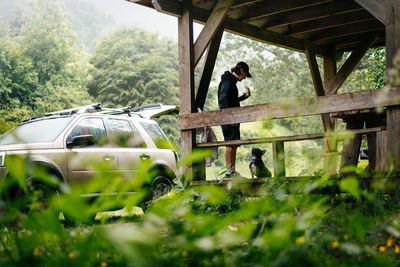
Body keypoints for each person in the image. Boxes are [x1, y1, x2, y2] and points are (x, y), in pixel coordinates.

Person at [218, 61, 252, 178]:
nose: (244, 78)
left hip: (233, 117)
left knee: (234, 144)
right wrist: (230, 117)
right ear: (241, 70)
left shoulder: (231, 81)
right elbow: (223, 100)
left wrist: (243, 97)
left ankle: (232, 170)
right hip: (229, 118)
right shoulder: (227, 81)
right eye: (245, 74)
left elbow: (231, 100)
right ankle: (229, 172)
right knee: (229, 144)